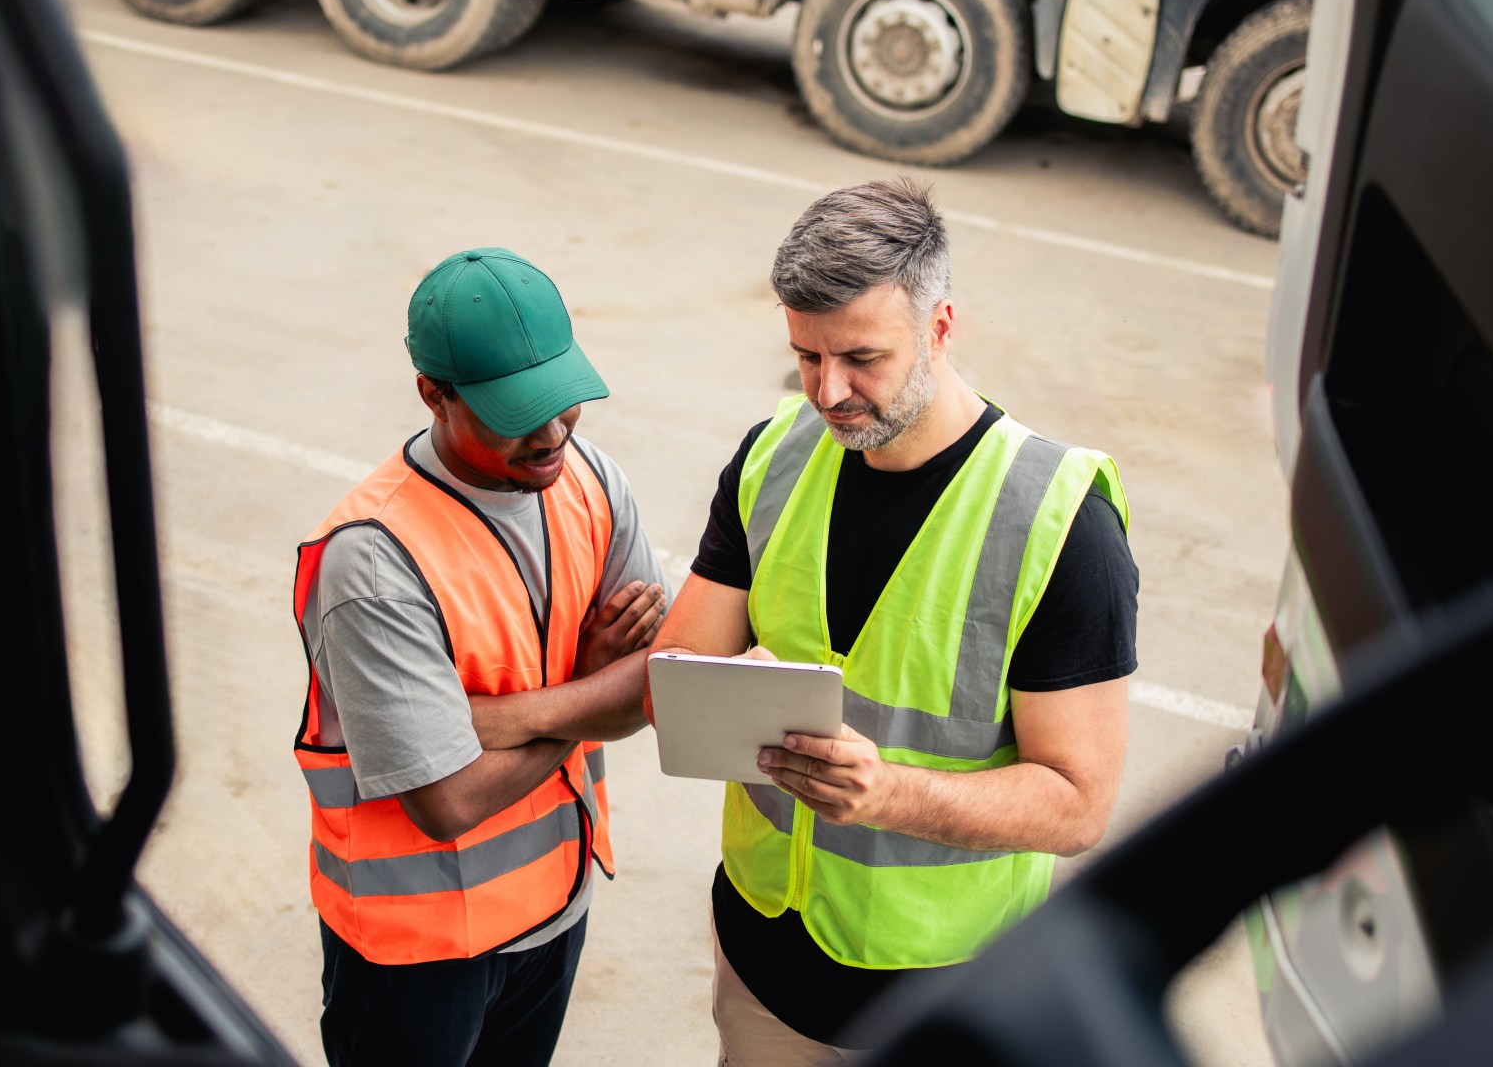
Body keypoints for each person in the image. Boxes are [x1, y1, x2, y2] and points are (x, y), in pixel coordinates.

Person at [649, 179, 1139, 1063]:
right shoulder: (771, 459)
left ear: (940, 327)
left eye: (861, 358)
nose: (828, 391)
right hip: (765, 972)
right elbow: (680, 662)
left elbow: (1077, 806)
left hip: (949, 1002)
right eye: (805, 356)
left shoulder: (1060, 522)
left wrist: (889, 795)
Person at [292, 247, 668, 1067]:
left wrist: (499, 718)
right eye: (514, 411)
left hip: (556, 911)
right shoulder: (373, 558)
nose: (552, 433)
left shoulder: (593, 481)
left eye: (564, 401)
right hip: (414, 953)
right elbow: (448, 802)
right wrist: (587, 689)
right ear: (434, 393)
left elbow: (656, 683)